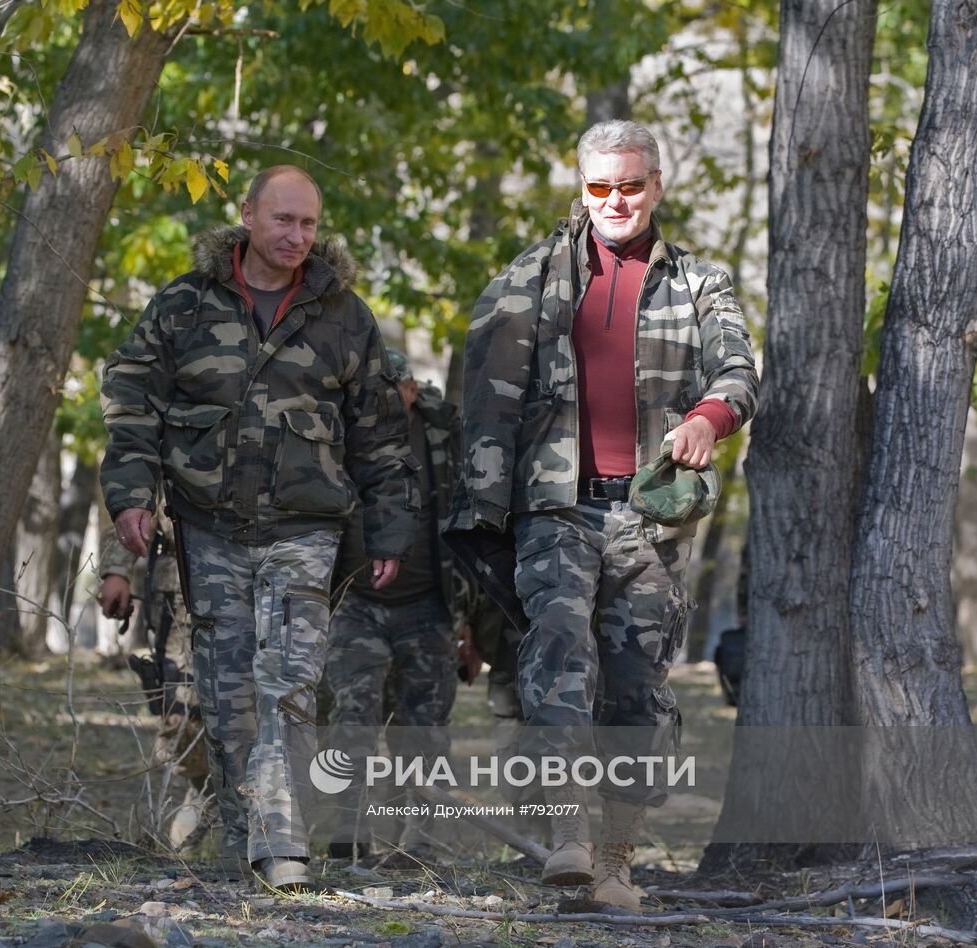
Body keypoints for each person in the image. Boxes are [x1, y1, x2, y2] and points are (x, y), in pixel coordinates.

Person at [446, 120, 759, 912]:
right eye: (598, 186)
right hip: (555, 507)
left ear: (657, 185)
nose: (614, 200)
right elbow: (479, 401)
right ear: (579, 188)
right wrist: (481, 516)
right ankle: (567, 836)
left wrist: (708, 418)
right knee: (556, 655)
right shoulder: (529, 280)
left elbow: (738, 369)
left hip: (653, 514)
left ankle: (619, 860)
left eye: (630, 185)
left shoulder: (698, 284)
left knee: (635, 688)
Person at [100, 165, 415, 890]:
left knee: (291, 684)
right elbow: (132, 402)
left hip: (306, 530)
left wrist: (390, 533)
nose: (298, 236)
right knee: (227, 691)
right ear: (247, 215)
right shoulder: (184, 304)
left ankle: (283, 848)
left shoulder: (343, 314)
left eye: (309, 223)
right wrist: (129, 496)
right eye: (283, 221)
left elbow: (380, 435)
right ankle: (245, 847)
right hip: (209, 527)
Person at [320, 350, 470, 862]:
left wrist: (470, 620)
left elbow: (474, 526)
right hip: (355, 601)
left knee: (425, 728)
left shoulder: (446, 435)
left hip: (430, 606)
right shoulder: (340, 435)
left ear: (411, 390)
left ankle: (421, 843)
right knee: (351, 717)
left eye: (392, 390)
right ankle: (348, 834)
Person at [96, 498, 214, 850]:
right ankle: (204, 792)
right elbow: (133, 499)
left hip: (259, 579)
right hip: (179, 600)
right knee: (182, 720)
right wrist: (117, 569)